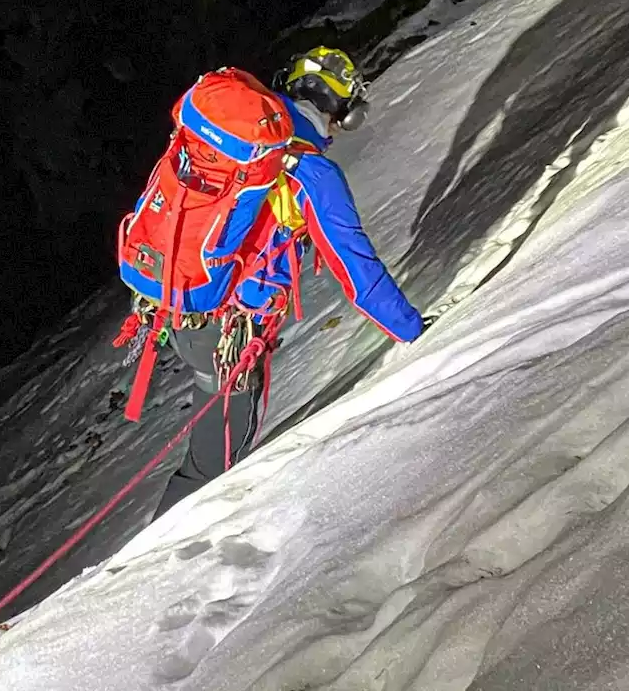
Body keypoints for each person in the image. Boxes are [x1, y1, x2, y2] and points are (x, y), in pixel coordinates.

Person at [148, 46, 423, 520]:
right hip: (229, 333)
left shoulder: (235, 144)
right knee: (213, 471)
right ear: (341, 112)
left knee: (207, 455)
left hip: (179, 305)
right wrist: (414, 332)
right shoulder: (309, 171)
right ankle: (151, 570)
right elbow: (357, 270)